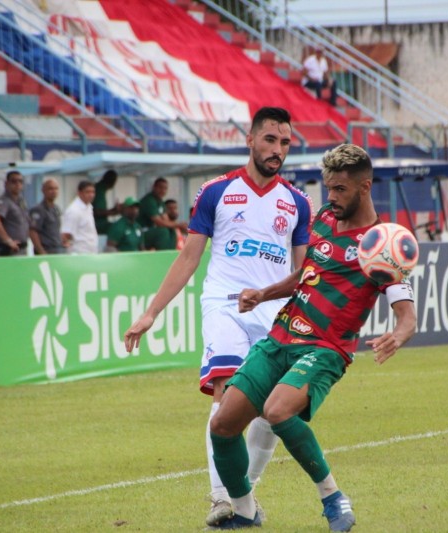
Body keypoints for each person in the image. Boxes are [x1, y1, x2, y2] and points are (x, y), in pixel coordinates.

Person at [207, 144, 417, 531]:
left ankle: (333, 497)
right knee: (222, 424)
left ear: (365, 187)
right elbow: (305, 274)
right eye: (328, 189)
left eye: (340, 190)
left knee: (277, 411)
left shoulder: (380, 242)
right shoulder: (322, 218)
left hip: (325, 349)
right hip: (280, 338)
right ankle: (244, 511)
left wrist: (398, 335)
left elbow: (406, 314)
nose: (331, 198)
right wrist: (263, 294)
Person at [124, 107, 314, 527]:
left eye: (285, 142)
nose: (277, 149)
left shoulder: (298, 203)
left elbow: (303, 275)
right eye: (269, 139)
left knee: (270, 409)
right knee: (227, 396)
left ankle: (243, 493)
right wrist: (151, 312)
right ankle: (220, 498)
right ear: (250, 139)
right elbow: (189, 257)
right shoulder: (216, 191)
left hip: (274, 312)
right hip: (224, 304)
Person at [138, 177, 189, 250]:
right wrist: (179, 225)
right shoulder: (149, 200)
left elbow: (166, 220)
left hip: (151, 231)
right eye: (160, 187)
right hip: (141, 232)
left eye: (165, 188)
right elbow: (159, 222)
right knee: (163, 231)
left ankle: (171, 254)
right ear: (154, 187)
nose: (163, 191)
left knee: (172, 229)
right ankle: (163, 255)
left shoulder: (160, 202)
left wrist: (180, 226)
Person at [0, 170, 30, 256]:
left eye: (20, 181)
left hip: (22, 249)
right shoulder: (4, 201)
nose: (17, 184)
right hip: (9, 250)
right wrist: (8, 240)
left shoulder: (21, 201)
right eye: (14, 181)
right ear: (6, 183)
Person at [29, 178, 67, 255]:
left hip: (57, 249)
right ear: (43, 190)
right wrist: (41, 251)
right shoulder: (38, 209)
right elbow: (33, 231)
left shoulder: (56, 209)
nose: (54, 191)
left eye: (56, 189)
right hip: (46, 250)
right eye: (50, 189)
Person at [62, 180, 98, 254]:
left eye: (93, 192)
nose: (91, 195)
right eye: (87, 192)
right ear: (79, 193)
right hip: (79, 253)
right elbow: (66, 234)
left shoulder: (89, 207)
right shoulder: (74, 210)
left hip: (91, 252)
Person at [92, 169, 121, 235]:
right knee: (119, 228)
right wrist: (113, 212)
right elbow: (97, 212)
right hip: (97, 225)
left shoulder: (101, 188)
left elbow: (101, 210)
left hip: (99, 224)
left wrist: (114, 210)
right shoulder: (99, 190)